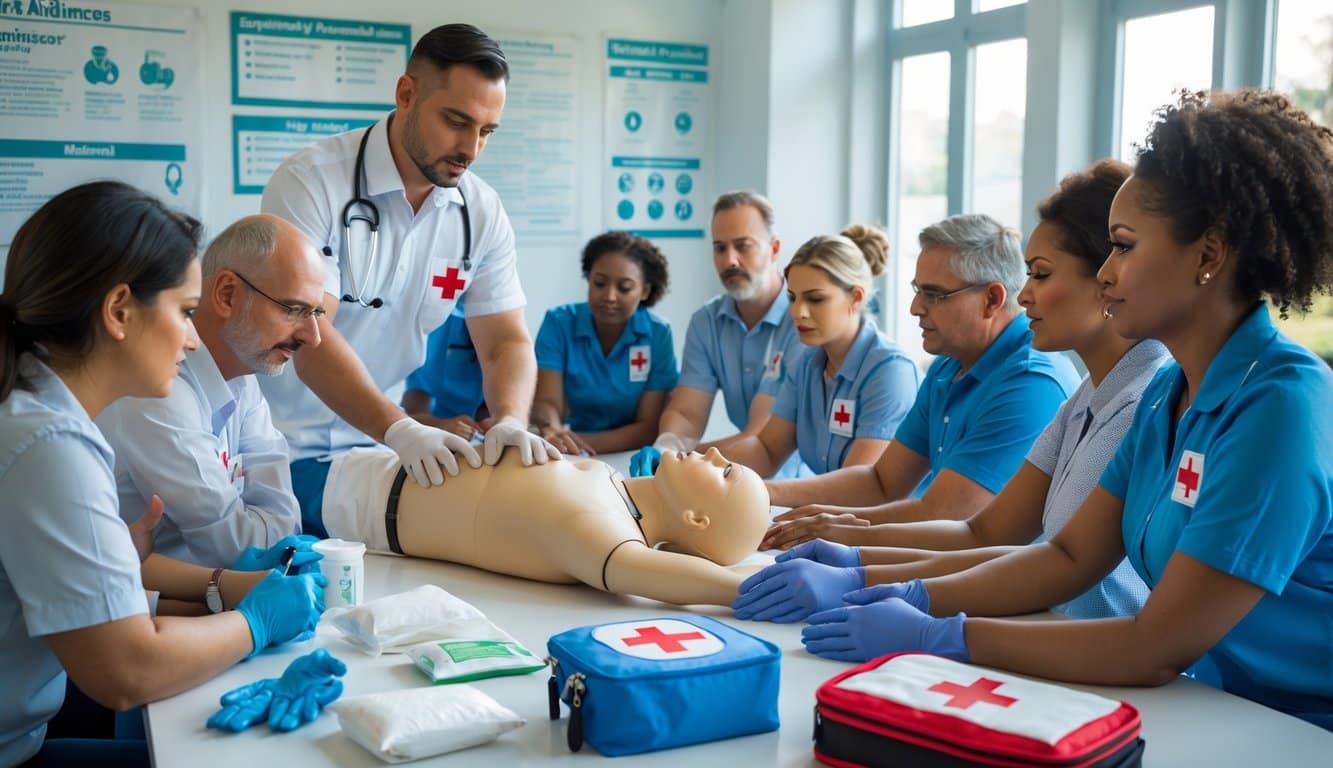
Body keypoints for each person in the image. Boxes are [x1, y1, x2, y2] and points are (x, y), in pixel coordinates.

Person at [797, 90, 1333, 732]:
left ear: (1209, 256)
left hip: (1299, 729)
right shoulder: (1171, 395)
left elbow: (1154, 646)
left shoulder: (1280, 406)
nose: (1105, 274)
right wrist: (905, 593)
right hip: (1216, 708)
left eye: (1125, 247)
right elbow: (1069, 556)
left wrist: (945, 635)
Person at [733, 160, 1168, 623]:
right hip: (1051, 626)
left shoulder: (1058, 387)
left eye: (1040, 275)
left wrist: (864, 565)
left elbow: (1035, 555)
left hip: (1070, 635)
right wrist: (847, 545)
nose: (1026, 297)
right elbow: (981, 531)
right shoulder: (1082, 396)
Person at [0, 182, 325, 766]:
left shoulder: (34, 412)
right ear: (119, 311)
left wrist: (222, 586)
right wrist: (253, 623)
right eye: (184, 311)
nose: (195, 338)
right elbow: (127, 670)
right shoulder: (48, 443)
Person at [260, 23, 558, 521]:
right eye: (456, 121)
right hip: (281, 447)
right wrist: (401, 428)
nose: (471, 148)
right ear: (406, 94)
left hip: (380, 450)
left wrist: (509, 419)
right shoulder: (311, 183)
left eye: (486, 131)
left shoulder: (479, 212)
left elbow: (506, 341)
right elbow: (308, 334)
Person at [762, 214, 1080, 549]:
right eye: (917, 291)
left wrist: (832, 527)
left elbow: (946, 517)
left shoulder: (1030, 384)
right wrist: (770, 493)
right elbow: (881, 481)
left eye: (934, 294)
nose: (915, 308)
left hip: (1035, 596)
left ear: (991, 300)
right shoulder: (948, 367)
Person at [97, 215, 325, 568]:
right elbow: (237, 550)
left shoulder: (243, 376)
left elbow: (285, 527)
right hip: (162, 605)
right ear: (226, 294)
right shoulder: (155, 392)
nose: (313, 336)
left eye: (316, 313)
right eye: (294, 310)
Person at [316, 447, 769, 607]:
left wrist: (746, 589)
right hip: (379, 464)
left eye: (725, 472)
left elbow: (650, 574)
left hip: (357, 505)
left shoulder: (606, 538)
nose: (714, 452)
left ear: (695, 519)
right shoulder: (616, 488)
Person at [707, 227, 919, 478]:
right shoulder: (805, 362)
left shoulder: (890, 372)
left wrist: (765, 492)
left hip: (889, 517)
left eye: (815, 299)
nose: (798, 312)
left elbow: (857, 487)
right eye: (793, 298)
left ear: (856, 298)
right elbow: (767, 450)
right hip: (836, 513)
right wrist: (698, 464)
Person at [629, 191, 805, 477]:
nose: (730, 260)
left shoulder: (802, 321)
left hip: (801, 483)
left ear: (774, 249)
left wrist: (682, 459)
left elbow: (759, 436)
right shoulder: (707, 322)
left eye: (743, 246)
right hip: (742, 475)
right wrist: (665, 447)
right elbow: (687, 413)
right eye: (720, 248)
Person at [531, 231, 678, 455]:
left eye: (624, 287)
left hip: (630, 453)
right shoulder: (558, 323)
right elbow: (547, 402)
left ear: (645, 291)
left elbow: (649, 427)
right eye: (599, 283)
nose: (609, 296)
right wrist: (552, 430)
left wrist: (577, 444)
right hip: (568, 451)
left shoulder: (658, 334)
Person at [400, 299, 489, 441]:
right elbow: (407, 418)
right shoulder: (437, 334)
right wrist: (441, 425)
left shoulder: (507, 341)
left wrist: (502, 422)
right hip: (434, 439)